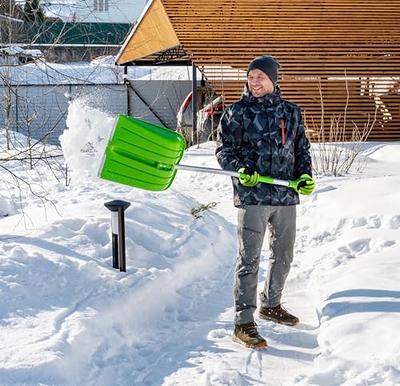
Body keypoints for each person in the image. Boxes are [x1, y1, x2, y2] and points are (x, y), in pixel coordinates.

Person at [215, 55, 315, 349]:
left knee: (284, 255)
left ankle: (271, 304)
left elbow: (302, 149)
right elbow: (224, 151)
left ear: (273, 79)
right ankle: (243, 322)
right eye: (251, 75)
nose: (254, 80)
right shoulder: (237, 113)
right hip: (253, 196)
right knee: (249, 259)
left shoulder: (291, 112)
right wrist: (240, 170)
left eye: (261, 76)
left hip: (285, 196)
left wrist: (305, 175)